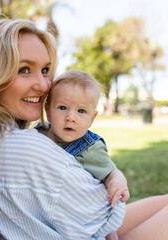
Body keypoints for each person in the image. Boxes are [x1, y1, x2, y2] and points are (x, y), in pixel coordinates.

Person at [0, 18, 168, 240]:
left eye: (45, 70)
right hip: (89, 229)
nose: (44, 84)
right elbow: (102, 213)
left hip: (70, 228)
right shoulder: (28, 149)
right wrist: (113, 178)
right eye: (24, 70)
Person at [36, 69, 129, 240]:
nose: (71, 117)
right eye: (62, 108)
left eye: (81, 111)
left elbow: (111, 173)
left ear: (92, 118)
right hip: (53, 214)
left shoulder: (90, 148)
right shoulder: (38, 134)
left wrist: (117, 180)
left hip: (89, 220)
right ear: (48, 110)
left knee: (107, 209)